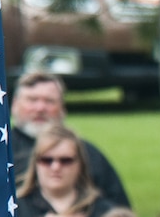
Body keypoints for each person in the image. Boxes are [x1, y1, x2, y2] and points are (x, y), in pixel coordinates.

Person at [10, 70, 131, 209]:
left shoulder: (88, 155)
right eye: (32, 100)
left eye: (49, 101)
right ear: (14, 105)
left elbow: (119, 213)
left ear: (62, 108)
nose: (40, 108)